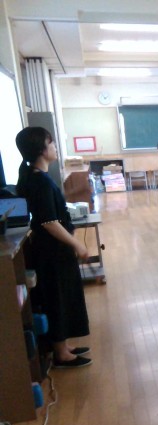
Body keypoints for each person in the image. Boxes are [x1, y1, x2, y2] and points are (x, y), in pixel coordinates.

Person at [15, 127, 92, 368]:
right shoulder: (39, 181)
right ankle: (61, 353)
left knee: (64, 295)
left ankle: (63, 345)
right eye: (52, 143)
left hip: (54, 249)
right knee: (57, 297)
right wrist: (77, 244)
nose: (56, 147)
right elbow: (49, 222)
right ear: (41, 149)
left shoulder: (38, 176)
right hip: (52, 251)